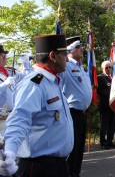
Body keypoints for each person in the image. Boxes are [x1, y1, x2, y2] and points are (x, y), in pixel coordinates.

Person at [0, 34, 73, 177]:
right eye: (64, 54)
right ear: (52, 56)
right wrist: (10, 151)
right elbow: (19, 119)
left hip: (58, 165)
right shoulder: (34, 85)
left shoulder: (52, 82)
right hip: (41, 168)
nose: (67, 58)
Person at [59, 36, 92, 177]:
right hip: (72, 112)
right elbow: (58, 86)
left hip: (81, 112)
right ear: (70, 50)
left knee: (79, 148)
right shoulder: (66, 66)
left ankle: (76, 173)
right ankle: (70, 173)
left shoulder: (80, 67)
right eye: (78, 47)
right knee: (73, 148)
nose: (81, 50)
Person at [0, 46, 31, 133]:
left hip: (12, 115)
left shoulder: (9, 71)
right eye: (3, 55)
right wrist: (4, 85)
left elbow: (28, 79)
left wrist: (26, 64)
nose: (5, 57)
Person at [97, 60, 115, 149]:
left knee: (112, 124)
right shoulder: (100, 78)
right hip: (105, 105)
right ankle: (103, 142)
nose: (108, 69)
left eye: (110, 67)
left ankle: (109, 141)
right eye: (106, 67)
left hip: (113, 105)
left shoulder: (113, 78)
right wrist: (111, 95)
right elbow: (100, 91)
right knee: (104, 125)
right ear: (102, 69)